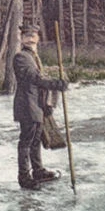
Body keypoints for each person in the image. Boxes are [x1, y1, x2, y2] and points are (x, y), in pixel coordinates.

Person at [13, 23, 68, 190]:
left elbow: (38, 81)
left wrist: (47, 103)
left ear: (38, 38)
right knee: (27, 141)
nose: (30, 39)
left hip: (37, 105)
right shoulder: (21, 57)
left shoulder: (34, 57)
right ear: (22, 39)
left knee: (36, 140)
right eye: (26, 36)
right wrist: (55, 84)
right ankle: (24, 176)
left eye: (33, 36)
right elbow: (33, 78)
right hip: (27, 105)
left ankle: (38, 171)